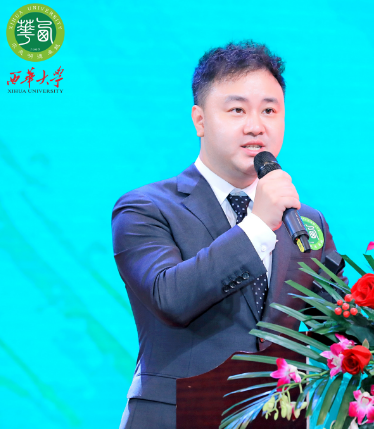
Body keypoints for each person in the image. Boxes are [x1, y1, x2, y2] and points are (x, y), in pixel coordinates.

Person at [112, 40, 347, 429]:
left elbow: (337, 327)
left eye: (269, 110)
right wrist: (258, 225)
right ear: (200, 120)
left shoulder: (305, 221)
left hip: (278, 420)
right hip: (175, 418)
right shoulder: (145, 209)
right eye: (237, 110)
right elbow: (171, 298)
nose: (256, 126)